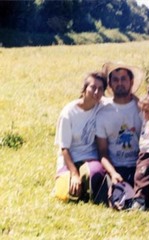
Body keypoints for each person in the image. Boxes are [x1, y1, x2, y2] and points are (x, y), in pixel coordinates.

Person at [54, 71, 108, 203]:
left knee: (95, 175)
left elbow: (122, 100)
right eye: (93, 87)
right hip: (69, 160)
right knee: (65, 195)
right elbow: (64, 148)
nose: (96, 92)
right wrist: (74, 174)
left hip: (90, 158)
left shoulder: (101, 107)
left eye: (100, 89)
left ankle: (86, 187)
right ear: (84, 89)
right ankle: (76, 185)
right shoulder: (68, 112)